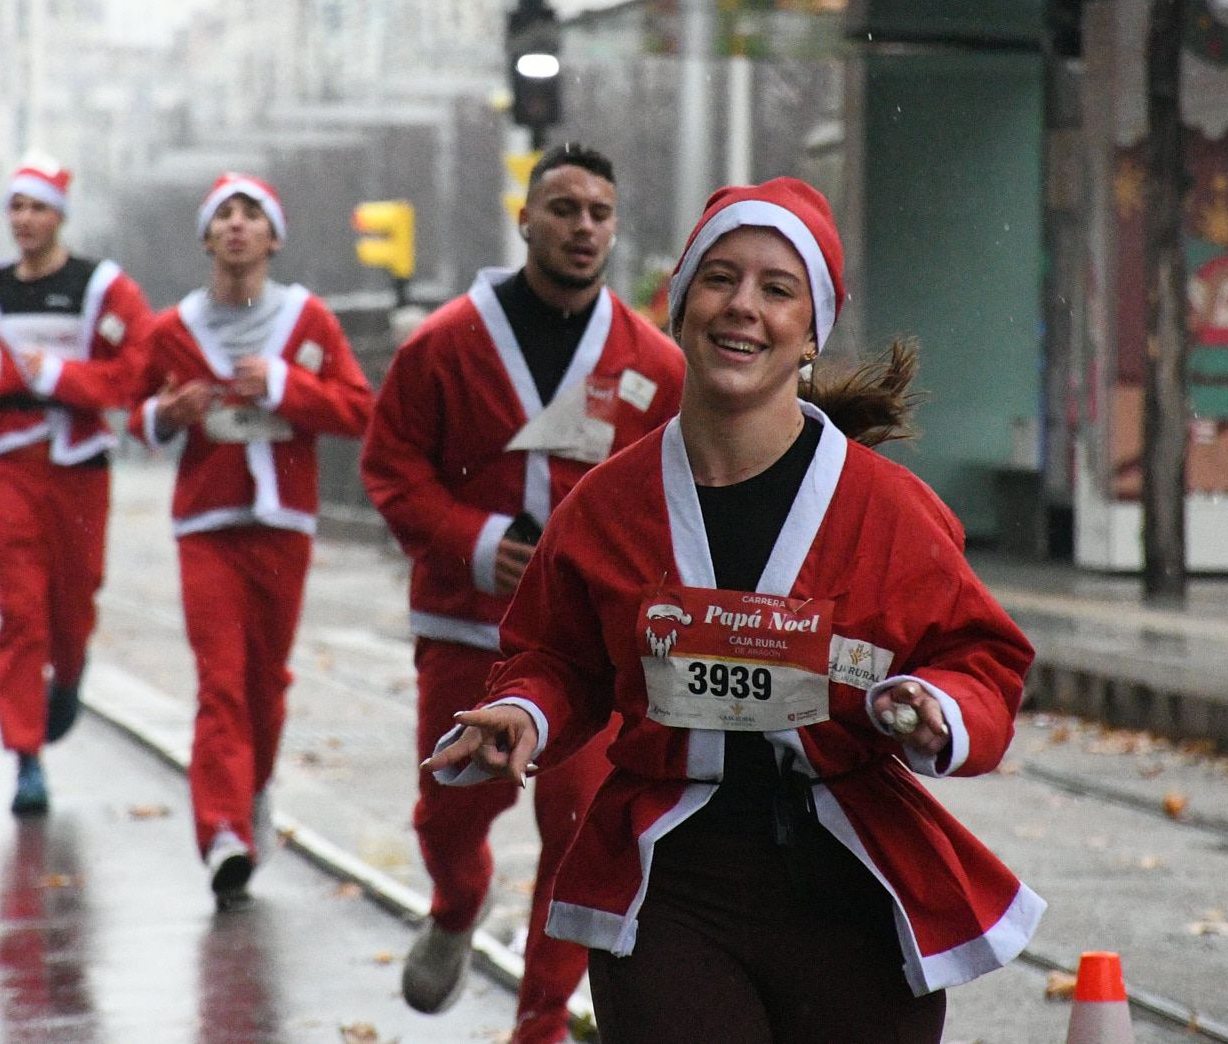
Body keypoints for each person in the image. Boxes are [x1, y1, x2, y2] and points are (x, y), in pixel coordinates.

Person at [423, 178, 1045, 1044]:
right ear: (680, 307)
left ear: (809, 334)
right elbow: (558, 655)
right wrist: (522, 711)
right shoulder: (607, 506)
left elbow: (981, 658)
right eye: (718, 279)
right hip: (676, 884)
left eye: (775, 288)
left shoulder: (888, 510)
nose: (741, 307)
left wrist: (935, 709)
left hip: (850, 880)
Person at [361, 144, 684, 1044]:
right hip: (467, 625)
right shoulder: (443, 344)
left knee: (582, 823)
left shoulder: (652, 362)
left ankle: (541, 1019)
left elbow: (678, 490)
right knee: (453, 804)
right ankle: (457, 899)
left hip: (588, 646)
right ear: (526, 218)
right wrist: (474, 542)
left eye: (600, 213)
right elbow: (390, 466)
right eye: (565, 208)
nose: (584, 227)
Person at [128, 173, 373, 907]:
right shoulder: (170, 329)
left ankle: (254, 791)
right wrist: (166, 413)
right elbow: (133, 416)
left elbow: (358, 409)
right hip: (206, 523)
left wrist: (284, 386)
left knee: (266, 683)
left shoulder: (309, 321)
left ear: (274, 237)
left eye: (252, 215)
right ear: (207, 238)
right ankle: (224, 831)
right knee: (221, 681)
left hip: (284, 523)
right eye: (223, 216)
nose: (237, 226)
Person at [0, 152, 151, 816]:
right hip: (10, 463)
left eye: (38, 207)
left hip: (79, 460)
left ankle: (72, 674)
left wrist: (53, 374)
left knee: (74, 601)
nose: (25, 219)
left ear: (61, 215)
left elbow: (132, 373)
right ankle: (26, 756)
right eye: (17, 207)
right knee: (19, 606)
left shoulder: (104, 287)